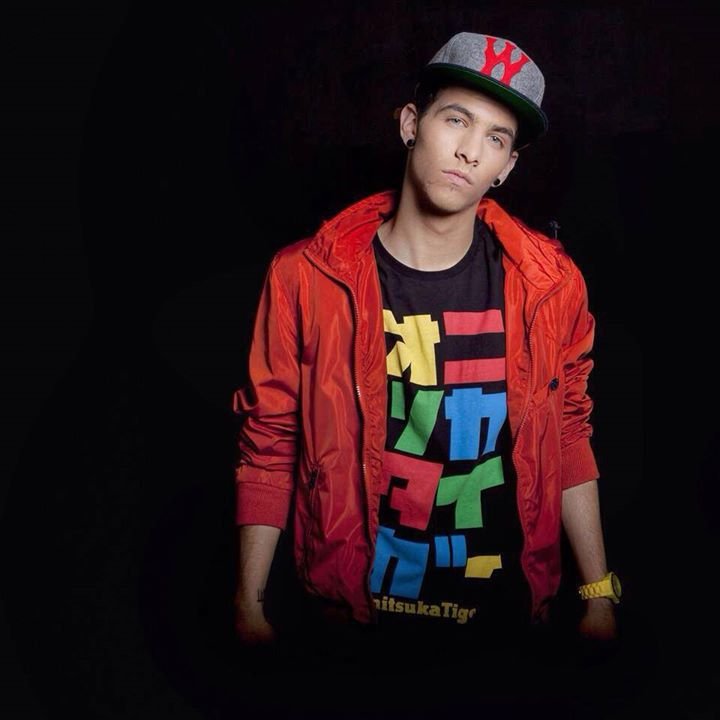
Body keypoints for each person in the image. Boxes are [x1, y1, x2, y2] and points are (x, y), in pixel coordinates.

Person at [231, 31, 621, 682]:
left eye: (496, 138)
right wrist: (248, 603)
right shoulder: (306, 278)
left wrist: (597, 594)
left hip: (506, 630)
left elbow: (569, 430)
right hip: (352, 629)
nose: (470, 150)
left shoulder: (551, 287)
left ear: (507, 167)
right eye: (456, 120)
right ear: (412, 124)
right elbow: (270, 439)